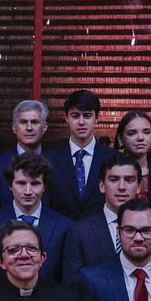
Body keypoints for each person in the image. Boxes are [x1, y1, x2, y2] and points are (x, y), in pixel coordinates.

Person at [0, 153, 70, 287]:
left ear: (44, 187)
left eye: (35, 183)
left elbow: (67, 281)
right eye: (21, 183)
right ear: (10, 186)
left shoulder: (65, 227)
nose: (28, 191)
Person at [62, 153, 142, 273]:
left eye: (129, 180)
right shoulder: (79, 232)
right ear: (102, 186)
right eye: (114, 179)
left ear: (139, 187)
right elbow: (72, 286)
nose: (121, 187)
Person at [44, 88, 115, 219]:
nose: (81, 122)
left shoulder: (113, 158)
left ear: (96, 118)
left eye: (87, 115)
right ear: (66, 118)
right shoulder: (50, 159)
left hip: (98, 233)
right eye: (75, 116)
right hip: (61, 234)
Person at [0, 99, 50, 214]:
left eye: (34, 122)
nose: (29, 128)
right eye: (23, 122)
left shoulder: (55, 162)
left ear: (44, 127)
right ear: (14, 128)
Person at [115, 109, 151, 218]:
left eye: (146, 132)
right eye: (132, 133)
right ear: (120, 139)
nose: (140, 138)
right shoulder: (110, 173)